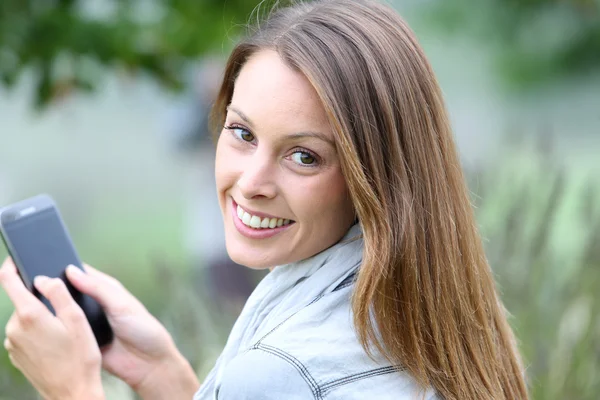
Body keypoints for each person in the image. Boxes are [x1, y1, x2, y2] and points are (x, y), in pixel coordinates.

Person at [0, 0, 529, 399]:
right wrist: (167, 376)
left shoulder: (281, 368)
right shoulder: (447, 321)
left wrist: (74, 389)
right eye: (242, 133)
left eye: (304, 156)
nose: (251, 180)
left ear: (373, 175)